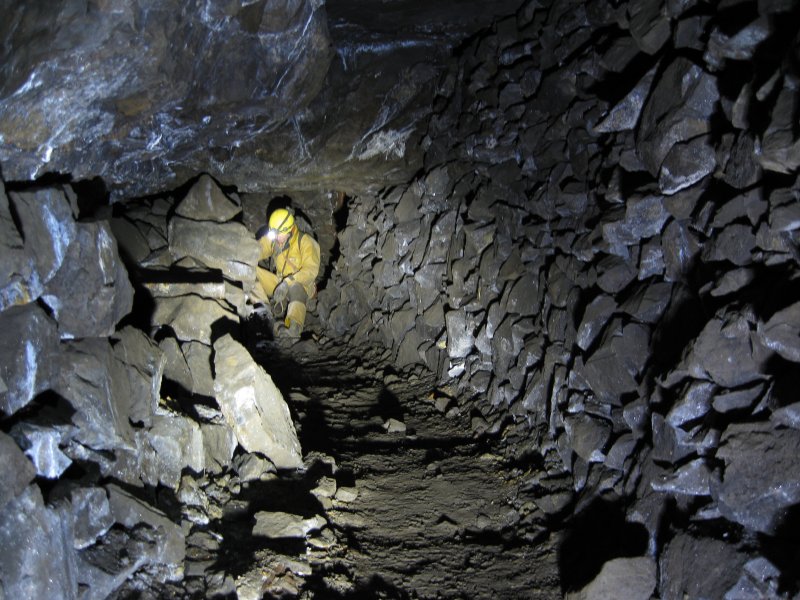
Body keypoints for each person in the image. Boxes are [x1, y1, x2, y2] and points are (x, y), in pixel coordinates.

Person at [253, 207, 320, 338]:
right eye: (273, 234)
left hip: (302, 287)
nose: (276, 237)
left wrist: (287, 283)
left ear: (289, 230)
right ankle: (264, 314)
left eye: (279, 234)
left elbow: (311, 271)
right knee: (250, 270)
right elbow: (257, 250)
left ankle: (293, 326)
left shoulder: (305, 242)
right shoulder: (274, 240)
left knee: (295, 287)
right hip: (280, 284)